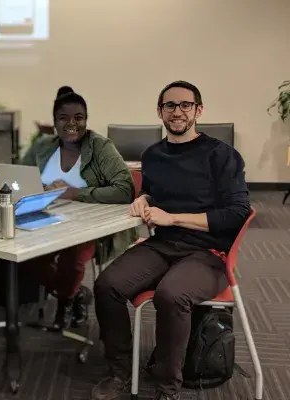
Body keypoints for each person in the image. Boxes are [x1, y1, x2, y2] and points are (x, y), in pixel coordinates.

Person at [91, 81, 250, 400]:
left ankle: (167, 389)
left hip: (208, 251)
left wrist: (173, 217)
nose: (177, 112)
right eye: (169, 106)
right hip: (163, 245)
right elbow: (153, 191)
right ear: (160, 112)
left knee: (172, 294)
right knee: (107, 284)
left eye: (185, 105)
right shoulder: (153, 154)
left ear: (198, 110)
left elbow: (236, 213)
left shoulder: (222, 155)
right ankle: (120, 372)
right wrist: (144, 199)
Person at [1, 87, 135, 329]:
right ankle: (74, 295)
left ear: (86, 120)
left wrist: (75, 193)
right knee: (23, 257)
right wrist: (40, 186)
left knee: (71, 260)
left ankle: (65, 300)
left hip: (86, 226)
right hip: (43, 221)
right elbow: (17, 178)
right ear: (54, 122)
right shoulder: (43, 146)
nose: (71, 123)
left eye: (78, 117)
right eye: (64, 118)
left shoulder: (101, 147)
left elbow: (125, 189)